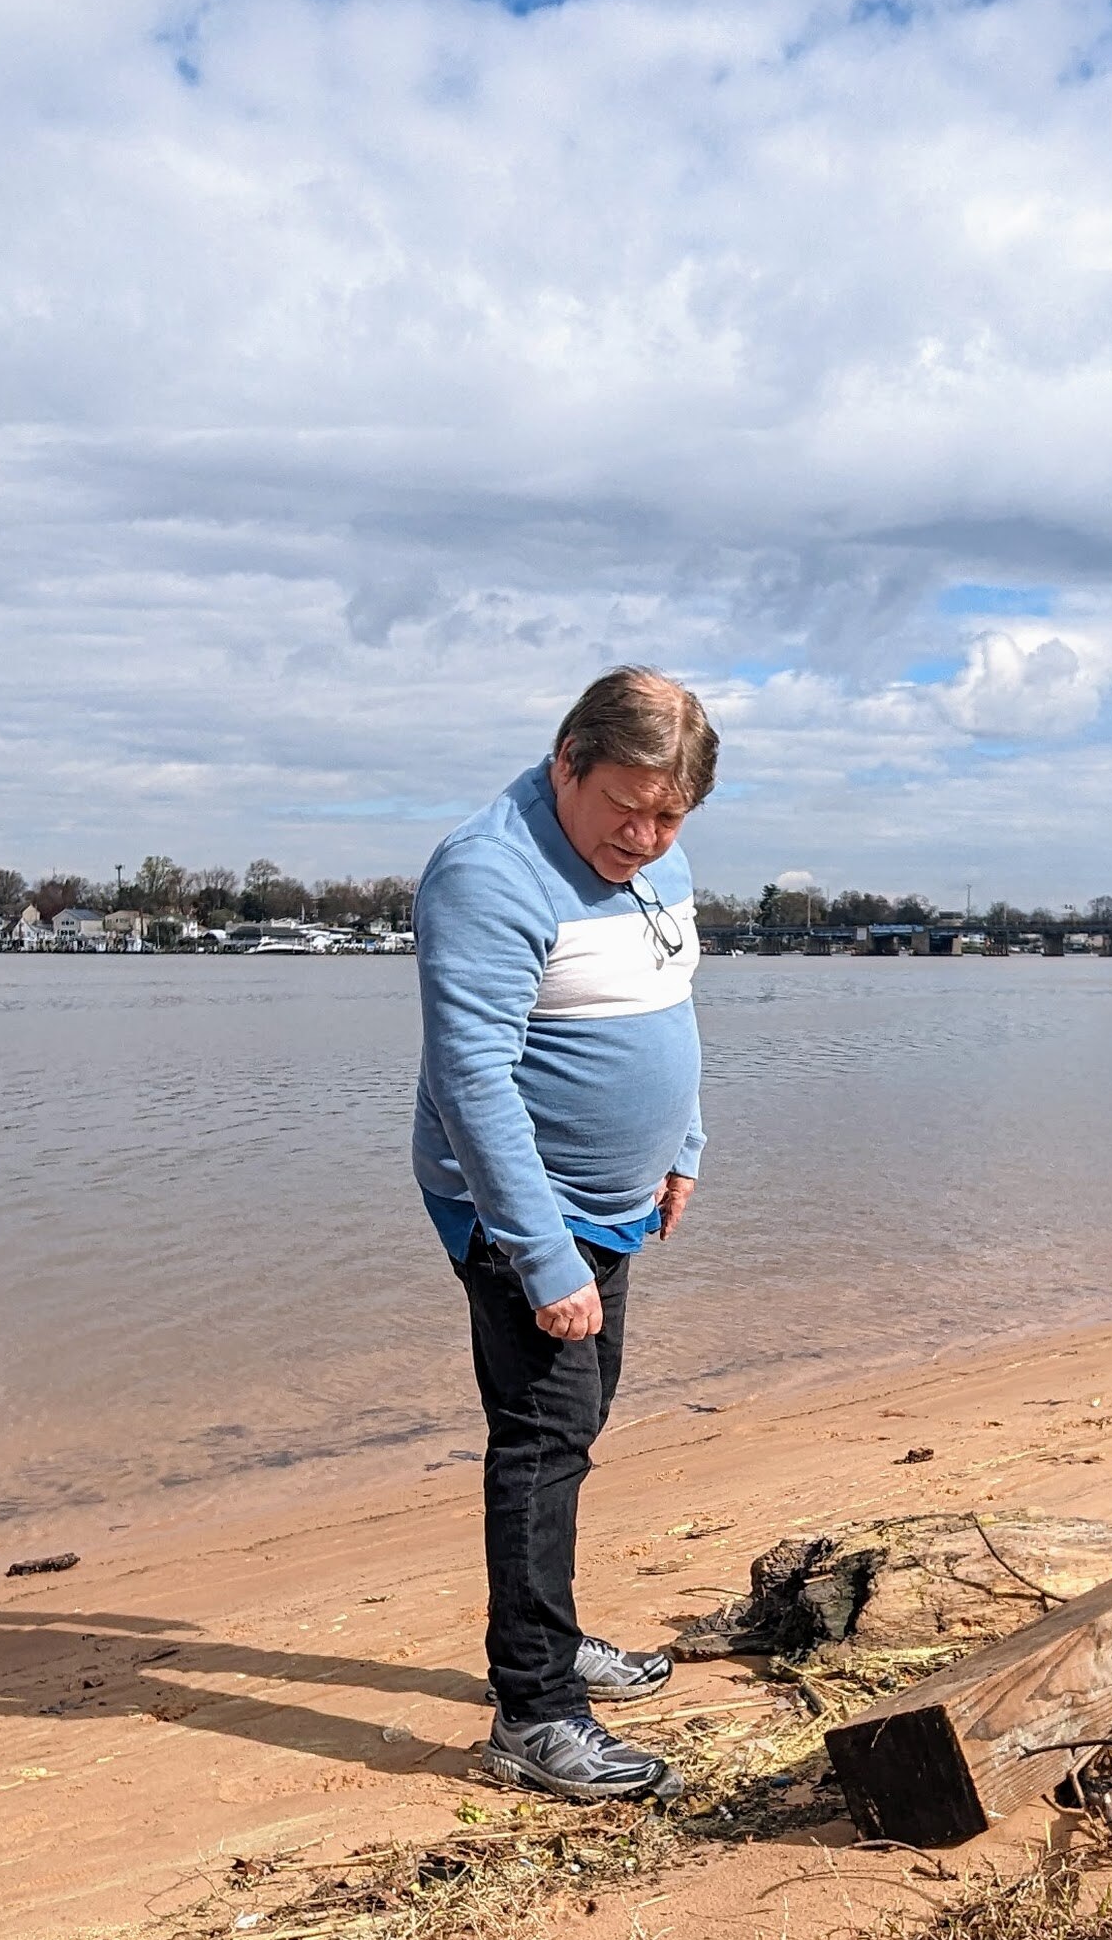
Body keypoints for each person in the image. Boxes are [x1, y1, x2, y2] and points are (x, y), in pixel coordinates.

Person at [412, 665, 719, 1801]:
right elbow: (471, 1080)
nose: (641, 837)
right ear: (565, 765)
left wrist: (678, 1145)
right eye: (622, 807)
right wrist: (539, 1255)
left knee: (577, 1423)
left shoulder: (655, 854)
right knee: (541, 1442)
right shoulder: (488, 872)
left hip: (617, 1203)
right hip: (521, 1208)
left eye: (668, 815)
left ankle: (552, 1629)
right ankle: (533, 1709)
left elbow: (664, 994)